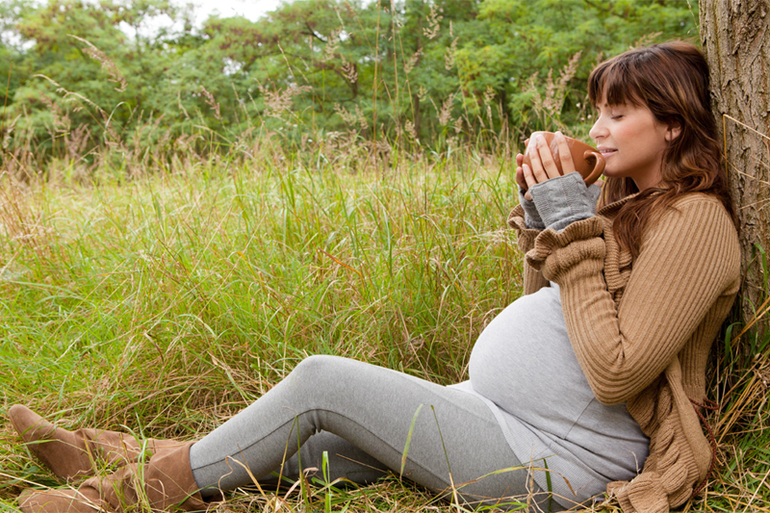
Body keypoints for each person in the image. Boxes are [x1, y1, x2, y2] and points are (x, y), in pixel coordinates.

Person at [9, 41, 740, 513]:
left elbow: (615, 371)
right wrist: (545, 227)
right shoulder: (628, 206)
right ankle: (112, 453)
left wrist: (573, 227)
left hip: (558, 461)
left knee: (323, 382)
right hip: (497, 414)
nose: (600, 127)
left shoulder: (697, 222)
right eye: (597, 112)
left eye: (620, 111)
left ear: (673, 123)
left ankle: (122, 494)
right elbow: (554, 313)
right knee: (305, 451)